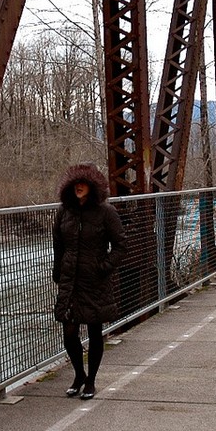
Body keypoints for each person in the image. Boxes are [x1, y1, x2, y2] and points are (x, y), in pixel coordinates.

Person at [52, 163, 127, 399]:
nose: (79, 187)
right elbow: (58, 245)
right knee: (69, 332)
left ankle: (91, 381)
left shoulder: (106, 212)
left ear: (92, 187)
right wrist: (57, 271)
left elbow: (120, 245)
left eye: (83, 183)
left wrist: (103, 267)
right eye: (75, 184)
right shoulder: (64, 212)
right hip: (70, 280)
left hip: (94, 280)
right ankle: (79, 374)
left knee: (95, 331)